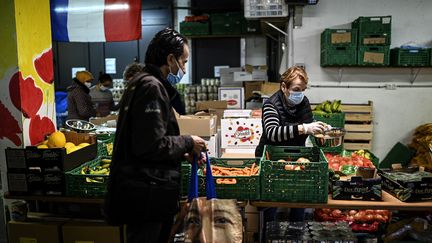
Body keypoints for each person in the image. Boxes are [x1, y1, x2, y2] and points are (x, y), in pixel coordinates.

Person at [104, 28, 206, 243]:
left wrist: (180, 154)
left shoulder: (141, 82)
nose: (185, 70)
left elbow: (144, 139)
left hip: (144, 193)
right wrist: (188, 142)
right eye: (184, 62)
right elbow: (151, 144)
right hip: (146, 196)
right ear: (170, 59)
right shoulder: (151, 87)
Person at [254, 66, 326, 228]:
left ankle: (295, 233)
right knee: (270, 201)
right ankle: (268, 233)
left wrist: (320, 132)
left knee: (298, 196)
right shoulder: (271, 105)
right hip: (271, 159)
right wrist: (304, 128)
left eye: (303, 89)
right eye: (296, 89)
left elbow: (309, 127)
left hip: (296, 156)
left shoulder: (304, 102)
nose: (299, 93)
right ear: (283, 87)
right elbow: (273, 133)